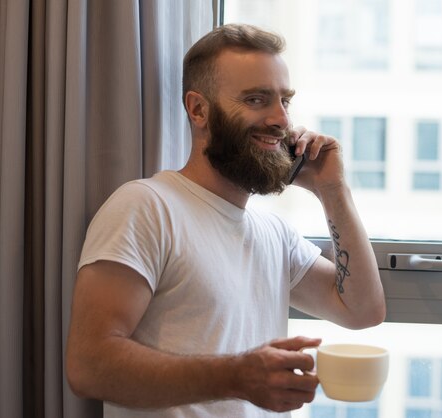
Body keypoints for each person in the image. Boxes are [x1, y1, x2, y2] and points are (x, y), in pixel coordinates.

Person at [65, 23, 386, 418]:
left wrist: (333, 190)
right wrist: (236, 377)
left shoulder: (274, 235)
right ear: (199, 109)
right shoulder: (145, 207)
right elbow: (89, 367)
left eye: (285, 101)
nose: (280, 119)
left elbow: (363, 311)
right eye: (256, 99)